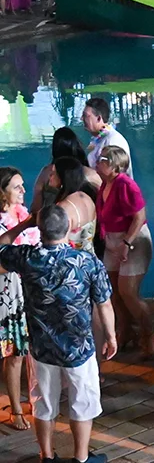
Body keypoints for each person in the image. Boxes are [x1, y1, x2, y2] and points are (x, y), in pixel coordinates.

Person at [0, 204, 116, 463]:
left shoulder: (27, 257)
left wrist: (23, 225)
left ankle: (47, 456)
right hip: (79, 347)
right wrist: (111, 337)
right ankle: (81, 458)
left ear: (39, 230)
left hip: (42, 348)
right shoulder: (86, 261)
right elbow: (104, 303)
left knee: (43, 403)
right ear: (70, 228)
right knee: (82, 402)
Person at [95, 145, 154, 358]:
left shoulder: (126, 185)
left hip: (133, 240)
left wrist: (126, 243)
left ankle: (150, 335)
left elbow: (139, 217)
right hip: (113, 241)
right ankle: (126, 330)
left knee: (128, 292)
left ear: (114, 165)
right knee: (112, 291)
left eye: (102, 159)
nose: (97, 161)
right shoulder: (104, 184)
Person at [0, 167, 36, 431]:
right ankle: (14, 410)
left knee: (19, 353)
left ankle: (26, 401)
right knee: (12, 353)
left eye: (23, 185)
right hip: (5, 297)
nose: (24, 190)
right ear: (2, 193)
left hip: (23, 293)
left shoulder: (23, 215)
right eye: (17, 186)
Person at [82, 98, 132, 178]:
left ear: (98, 118)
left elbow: (115, 177)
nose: (82, 119)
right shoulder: (99, 138)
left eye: (85, 116)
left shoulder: (113, 141)